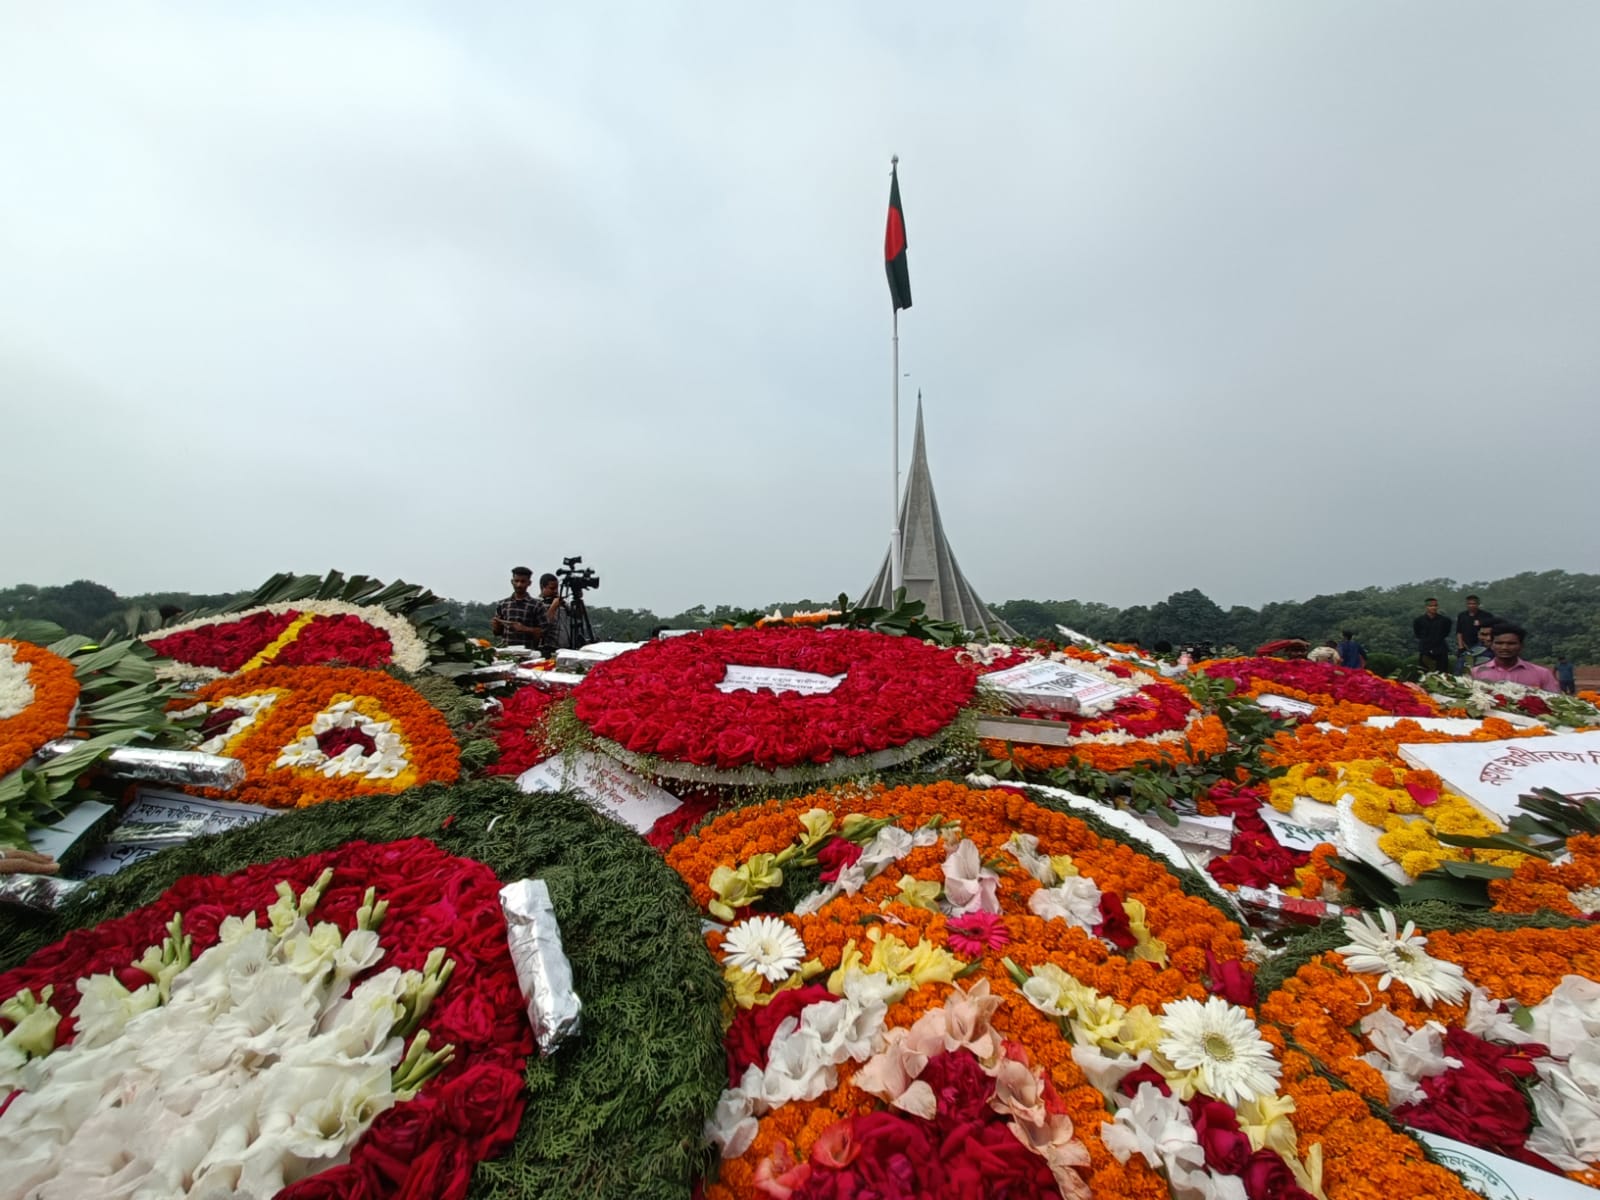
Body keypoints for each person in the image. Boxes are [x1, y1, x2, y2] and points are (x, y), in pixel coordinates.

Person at [1472, 623, 1562, 692]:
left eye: (1511, 643)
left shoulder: (1542, 674)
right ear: (1491, 645)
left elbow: (1554, 702)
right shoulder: (1476, 673)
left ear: (1521, 646)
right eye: (1499, 643)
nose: (1504, 648)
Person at [491, 567, 548, 650]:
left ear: (529, 583)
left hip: (528, 653)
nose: (519, 585)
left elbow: (544, 632)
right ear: (512, 582)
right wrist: (496, 626)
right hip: (506, 652)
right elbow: (497, 633)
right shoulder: (503, 604)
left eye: (523, 581)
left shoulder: (537, 605)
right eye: (516, 581)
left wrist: (525, 629)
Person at [1454, 595, 1496, 673]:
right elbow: (1459, 632)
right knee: (1461, 664)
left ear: (1478, 604)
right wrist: (1460, 646)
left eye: (1474, 604)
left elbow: (1492, 631)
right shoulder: (1462, 615)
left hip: (1481, 645)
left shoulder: (1486, 615)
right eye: (1469, 604)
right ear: (1466, 604)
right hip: (1466, 645)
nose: (1471, 606)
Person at [1412, 598, 1453, 673]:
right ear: (1426, 607)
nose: (1433, 608)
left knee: (1442, 674)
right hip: (1425, 649)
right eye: (1431, 606)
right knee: (1424, 673)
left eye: (1435, 606)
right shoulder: (1419, 620)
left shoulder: (1445, 620)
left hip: (1440, 649)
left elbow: (1446, 633)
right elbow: (1417, 634)